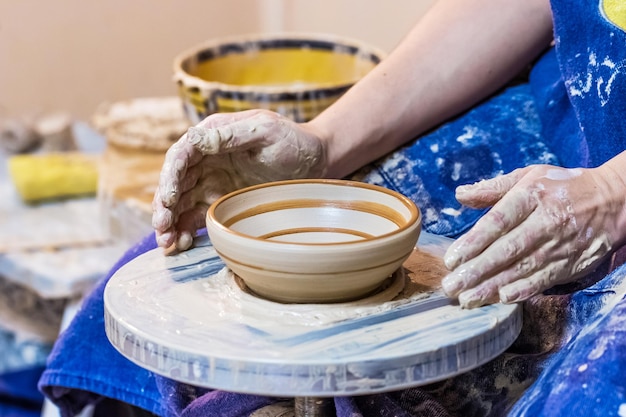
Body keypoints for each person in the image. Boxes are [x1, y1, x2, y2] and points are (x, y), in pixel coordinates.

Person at [40, 0, 626, 415]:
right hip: (577, 109)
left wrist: (610, 196)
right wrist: (325, 145)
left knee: (595, 388)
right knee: (177, 270)